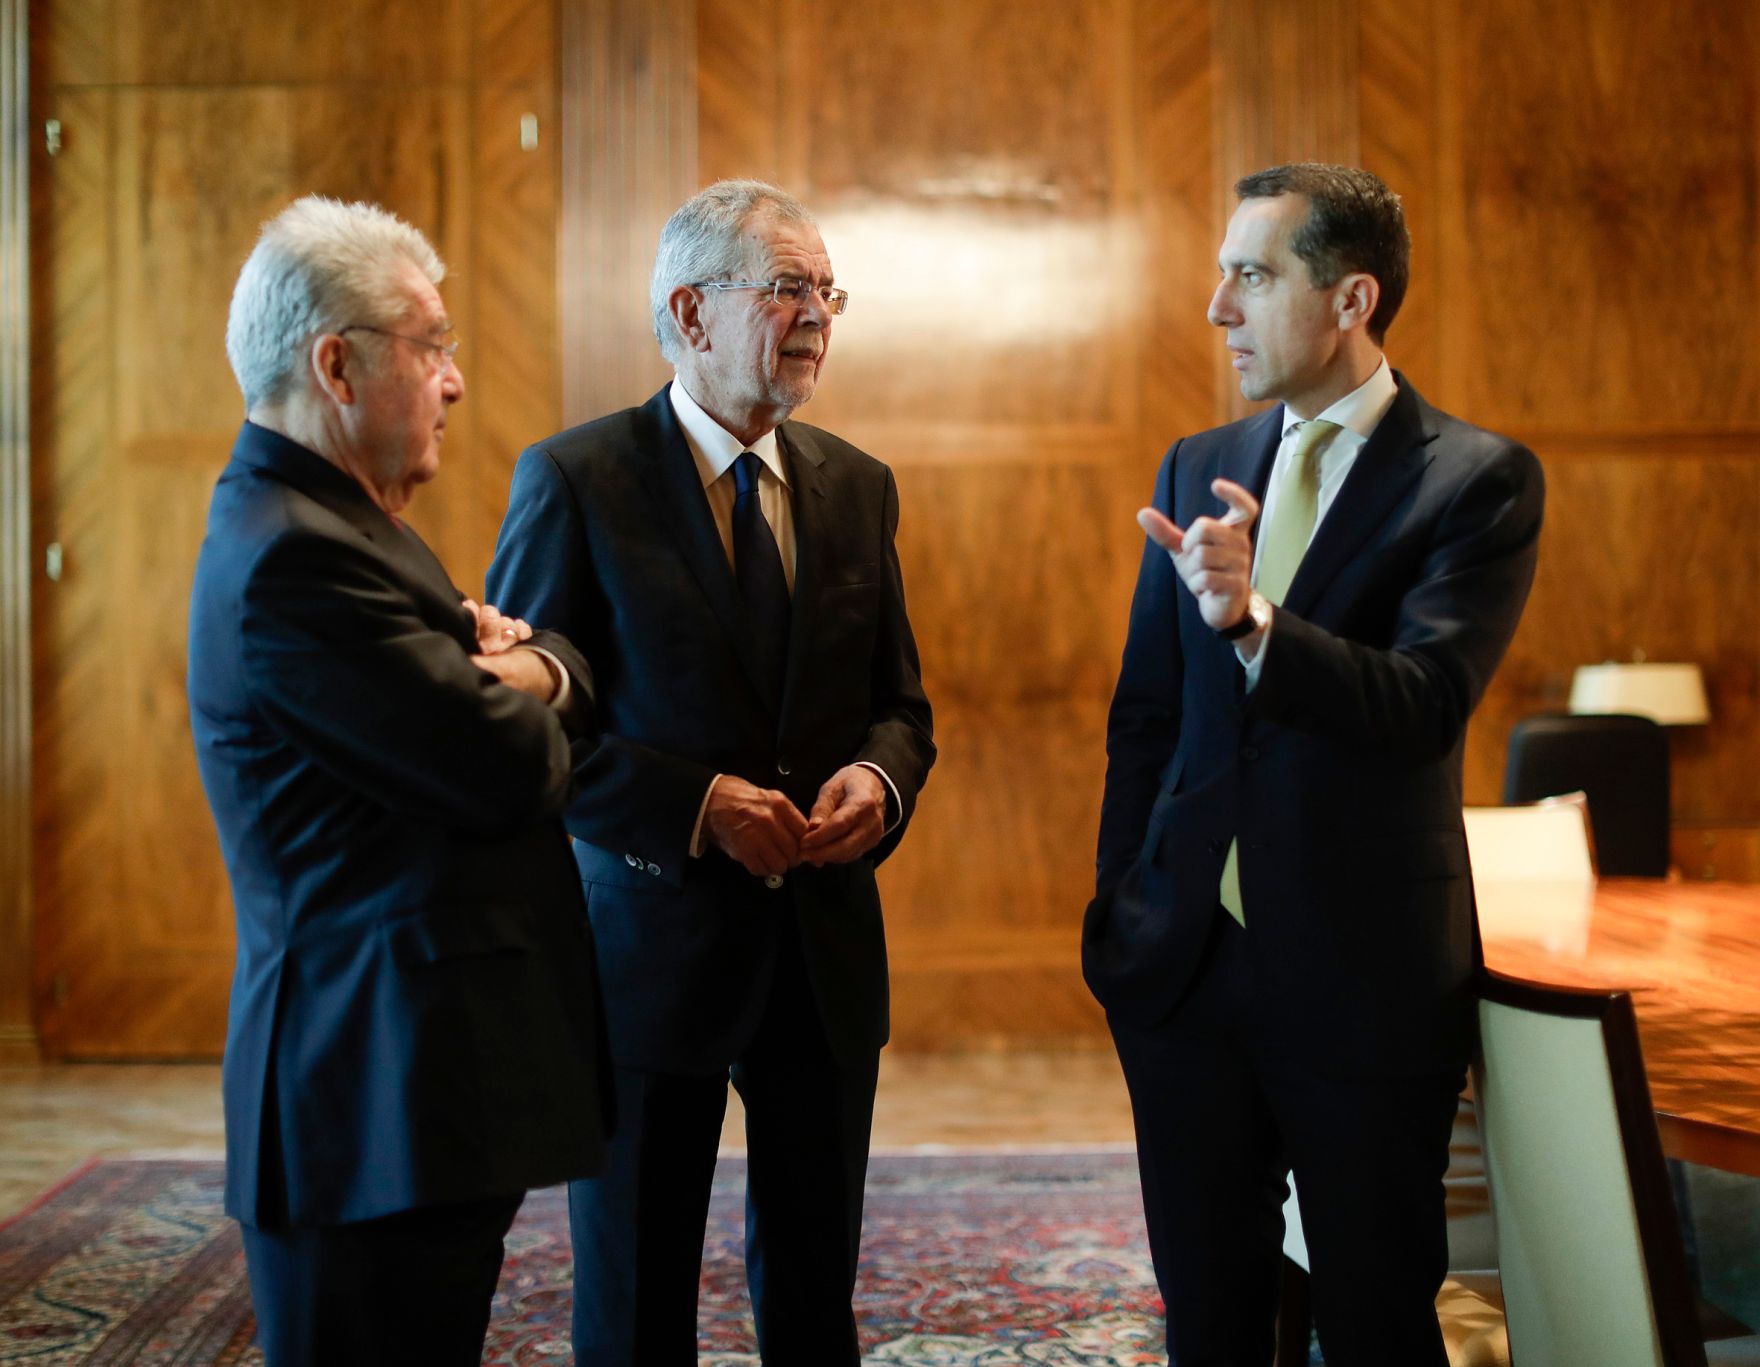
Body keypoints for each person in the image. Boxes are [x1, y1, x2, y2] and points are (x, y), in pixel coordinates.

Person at [1082, 163, 1544, 1364]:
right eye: (1219, 274)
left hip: (1362, 977)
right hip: (1185, 965)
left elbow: (1421, 705)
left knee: (1376, 1320)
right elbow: (1146, 716)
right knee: (1208, 1320)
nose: (1215, 307)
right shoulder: (1194, 462)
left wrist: (1255, 625)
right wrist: (1124, 900)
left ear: (1349, 299)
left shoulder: (1474, 478)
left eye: (1249, 274)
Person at [485, 178, 935, 1366]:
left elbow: (900, 707)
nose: (817, 316)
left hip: (821, 953)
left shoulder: (858, 484)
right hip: (646, 951)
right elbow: (524, 733)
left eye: (828, 291)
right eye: (787, 287)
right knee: (635, 1300)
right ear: (689, 310)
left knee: (814, 1295)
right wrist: (694, 806)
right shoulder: (575, 478)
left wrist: (878, 782)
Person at [188, 196, 610, 1367]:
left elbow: (542, 680)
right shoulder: (296, 552)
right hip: (362, 1092)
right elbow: (512, 764)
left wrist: (523, 669)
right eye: (430, 346)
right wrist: (534, 674)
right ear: (335, 364)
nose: (454, 381)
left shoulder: (343, 521)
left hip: (417, 1086)